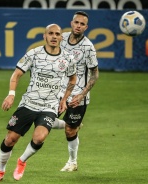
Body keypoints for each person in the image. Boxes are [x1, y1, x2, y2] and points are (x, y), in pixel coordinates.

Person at [0, 24, 77, 182]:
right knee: (10, 139)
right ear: (44, 36)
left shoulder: (67, 58)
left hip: (49, 106)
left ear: (61, 37)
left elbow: (73, 79)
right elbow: (16, 75)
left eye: (57, 34)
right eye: (50, 33)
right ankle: (0, 170)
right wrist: (11, 95)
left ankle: (22, 161)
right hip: (29, 103)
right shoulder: (34, 54)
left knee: (39, 138)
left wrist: (64, 99)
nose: (54, 36)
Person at [52, 11, 99, 171]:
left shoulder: (88, 47)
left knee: (70, 131)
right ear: (72, 23)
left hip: (77, 95)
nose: (78, 26)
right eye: (76, 22)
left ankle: (72, 162)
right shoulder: (61, 38)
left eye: (82, 24)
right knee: (42, 120)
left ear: (86, 27)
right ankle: (73, 123)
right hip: (58, 92)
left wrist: (82, 94)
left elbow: (95, 74)